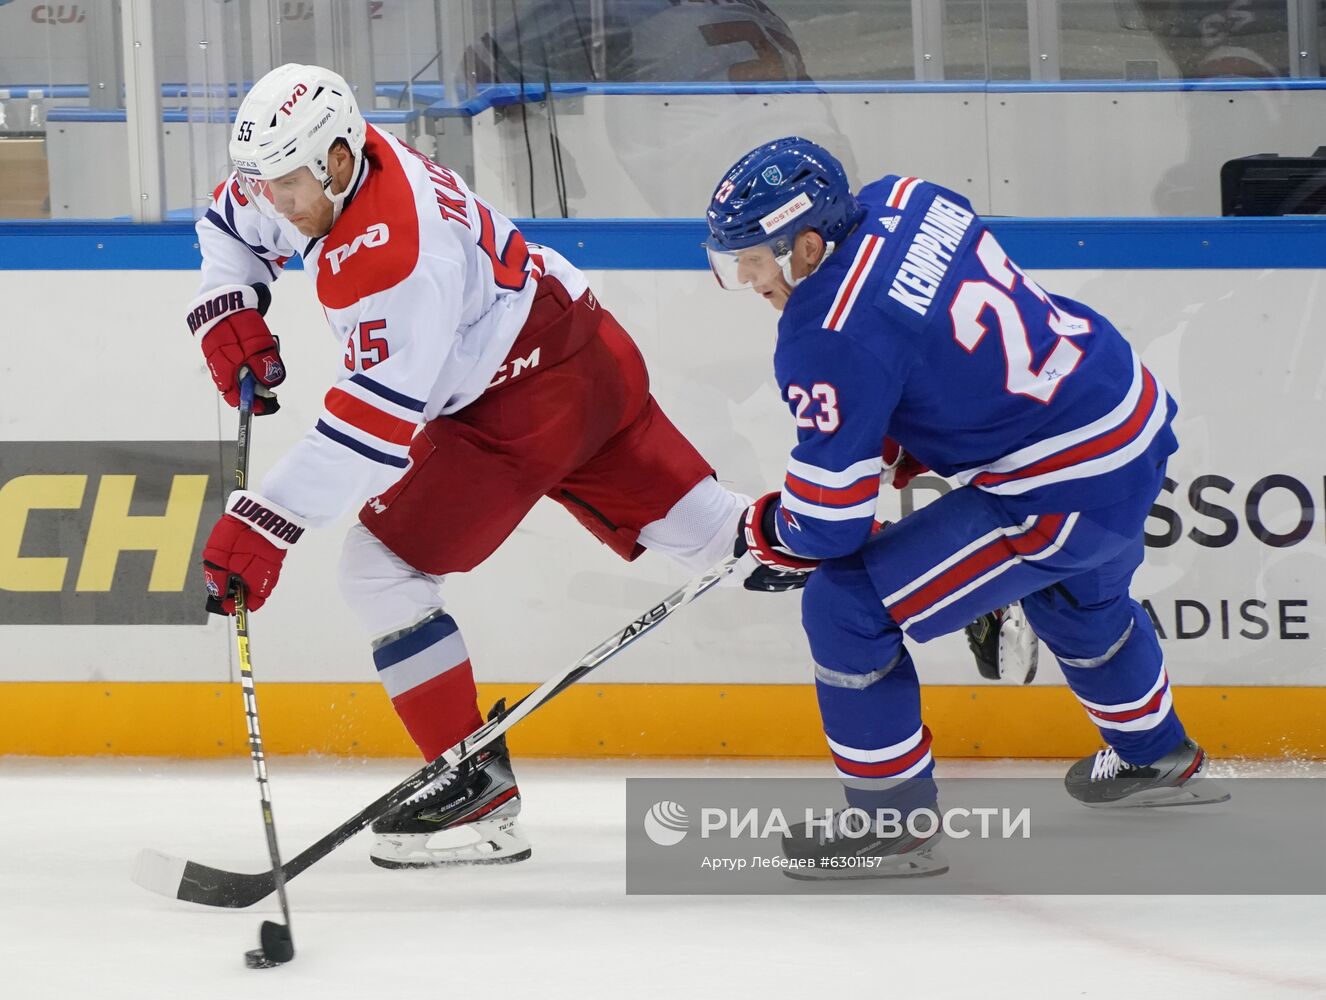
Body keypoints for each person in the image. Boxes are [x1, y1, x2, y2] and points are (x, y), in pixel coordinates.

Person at [188, 63, 803, 870]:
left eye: (287, 186)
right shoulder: (323, 167)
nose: (273, 202)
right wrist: (227, 306)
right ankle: (929, 575)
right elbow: (230, 229)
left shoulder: (393, 251)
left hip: (517, 407)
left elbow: (372, 426)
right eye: (263, 183)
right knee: (737, 540)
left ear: (337, 162)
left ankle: (469, 790)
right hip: (584, 352)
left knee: (380, 571)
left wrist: (268, 520)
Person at [705, 137, 1229, 878]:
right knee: (1079, 604)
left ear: (808, 245)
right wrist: (894, 422)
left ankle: (891, 828)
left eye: (754, 258)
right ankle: (1156, 755)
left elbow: (829, 525)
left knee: (846, 607)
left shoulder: (824, 333)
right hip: (1124, 413)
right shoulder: (910, 196)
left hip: (1058, 485)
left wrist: (772, 530)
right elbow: (938, 330)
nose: (748, 279)